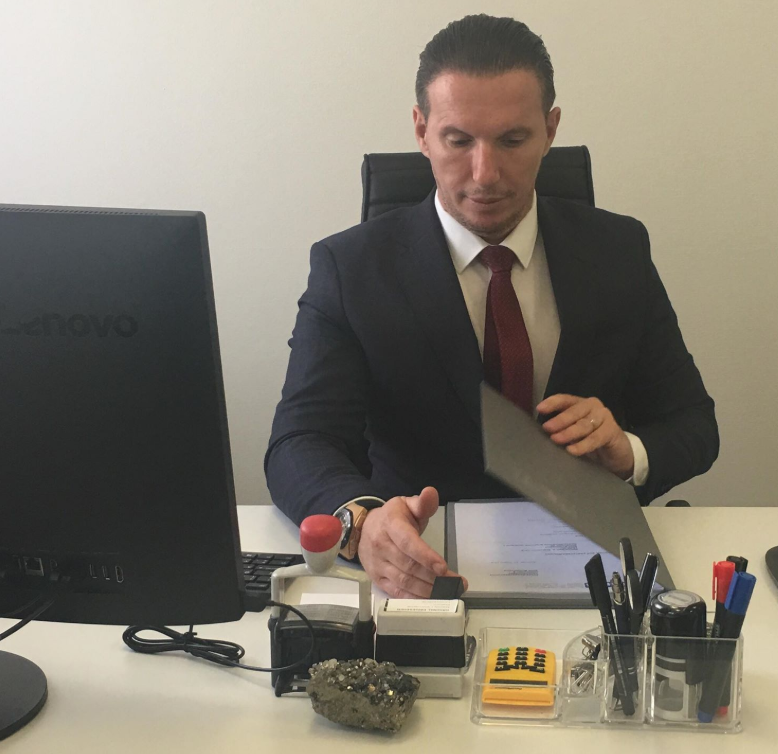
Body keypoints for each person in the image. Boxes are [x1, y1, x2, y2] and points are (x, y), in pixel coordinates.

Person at [265, 14, 718, 598]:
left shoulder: (618, 250)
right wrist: (362, 522)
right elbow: (298, 442)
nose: (485, 174)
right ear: (422, 131)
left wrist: (626, 453)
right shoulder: (350, 268)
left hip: (592, 569)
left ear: (550, 130)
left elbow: (693, 424)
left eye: (512, 140)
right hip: (417, 567)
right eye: (458, 141)